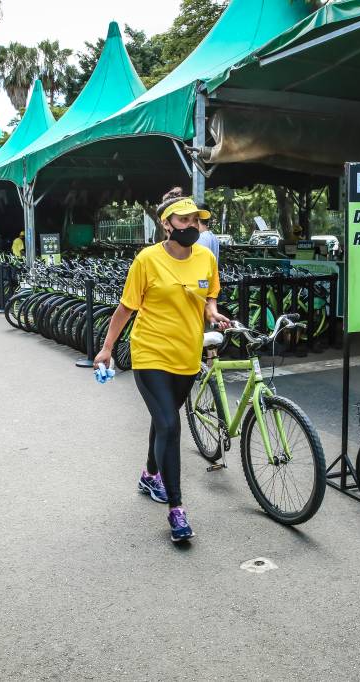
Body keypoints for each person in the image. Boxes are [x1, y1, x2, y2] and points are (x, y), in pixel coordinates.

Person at [94, 193, 229, 543]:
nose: (191, 225)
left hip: (187, 355)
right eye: (183, 220)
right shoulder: (147, 260)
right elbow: (126, 308)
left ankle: (150, 475)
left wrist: (212, 312)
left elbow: (208, 295)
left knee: (162, 420)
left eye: (195, 220)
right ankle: (176, 509)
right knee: (170, 423)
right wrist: (107, 348)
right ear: (166, 224)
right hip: (150, 352)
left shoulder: (205, 258)